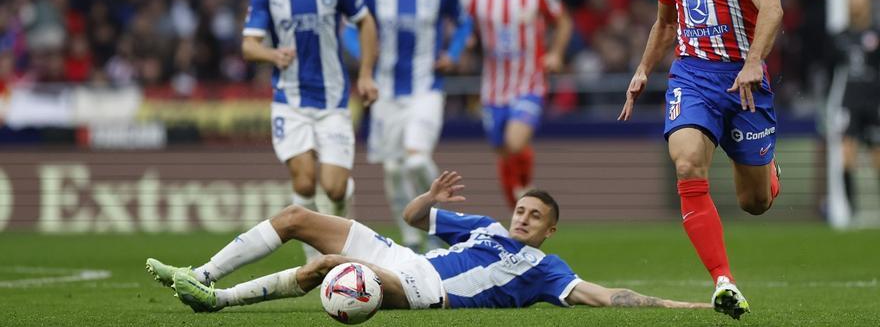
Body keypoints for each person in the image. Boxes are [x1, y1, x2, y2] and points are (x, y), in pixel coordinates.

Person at [146, 171, 710, 313]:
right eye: (522, 210)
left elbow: (610, 296)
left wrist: (692, 306)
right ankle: (204, 275)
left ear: (549, 230)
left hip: (428, 292)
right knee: (296, 216)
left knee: (332, 265)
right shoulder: (487, 225)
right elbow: (415, 217)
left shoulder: (546, 268)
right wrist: (429, 194)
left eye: (535, 217)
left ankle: (217, 304)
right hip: (405, 258)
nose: (523, 219)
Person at [618, 0, 783, 320]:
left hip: (743, 78)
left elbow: (772, 8)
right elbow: (667, 22)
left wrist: (753, 63)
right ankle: (724, 282)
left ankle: (768, 172)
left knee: (755, 203)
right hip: (691, 75)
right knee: (687, 162)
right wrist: (643, 70)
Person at [241, 0, 379, 262]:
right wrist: (272, 56)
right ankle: (315, 259)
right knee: (303, 183)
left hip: (333, 100)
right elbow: (249, 44)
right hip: (290, 100)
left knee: (333, 187)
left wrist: (364, 74)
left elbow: (365, 22)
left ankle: (342, 215)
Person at [342, 0, 472, 251]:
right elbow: (348, 29)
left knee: (415, 159)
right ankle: (412, 239)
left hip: (426, 89)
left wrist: (453, 54)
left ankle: (438, 228)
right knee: (394, 168)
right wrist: (365, 59)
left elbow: (463, 23)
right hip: (384, 91)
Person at [460, 0, 573, 208]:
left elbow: (563, 21)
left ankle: (524, 190)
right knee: (502, 151)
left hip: (529, 82)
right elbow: (461, 23)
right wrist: (466, 41)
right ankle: (518, 203)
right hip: (493, 87)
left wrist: (555, 53)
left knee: (515, 140)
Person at [831, 0, 880, 216]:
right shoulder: (840, 37)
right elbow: (831, 71)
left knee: (877, 159)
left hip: (874, 103)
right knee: (847, 156)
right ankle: (851, 213)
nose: (855, 2)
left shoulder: (876, 33)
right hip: (850, 102)